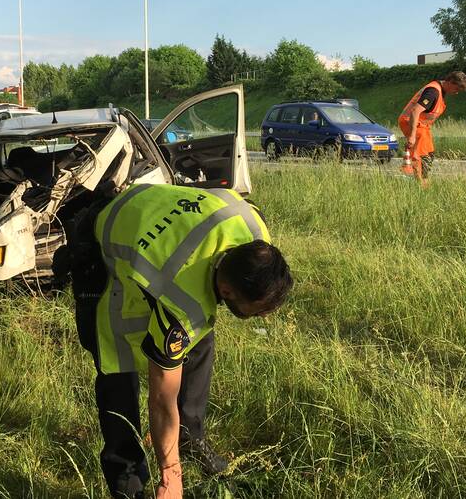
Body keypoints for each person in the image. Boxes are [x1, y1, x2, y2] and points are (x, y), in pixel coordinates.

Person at [56, 183, 293, 499]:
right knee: (115, 363)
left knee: (199, 342)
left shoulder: (252, 228)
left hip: (145, 210)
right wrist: (171, 473)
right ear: (226, 291)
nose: (264, 317)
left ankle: (189, 438)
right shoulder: (183, 304)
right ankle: (127, 477)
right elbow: (161, 399)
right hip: (100, 246)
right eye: (259, 309)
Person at [398, 71, 466, 185]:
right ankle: (421, 184)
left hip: (423, 126)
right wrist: (412, 136)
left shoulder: (440, 91)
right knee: (422, 156)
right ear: (450, 82)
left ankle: (423, 180)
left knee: (429, 154)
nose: (456, 93)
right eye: (456, 89)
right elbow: (415, 111)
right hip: (411, 122)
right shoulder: (433, 92)